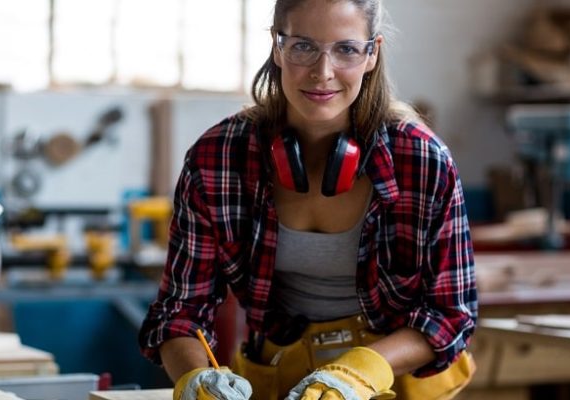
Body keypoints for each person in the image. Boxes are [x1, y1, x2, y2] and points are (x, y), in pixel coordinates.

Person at [139, 0, 477, 399]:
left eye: (346, 49)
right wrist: (194, 379)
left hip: (397, 381)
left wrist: (357, 373)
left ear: (372, 54)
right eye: (303, 46)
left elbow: (450, 315)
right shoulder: (218, 158)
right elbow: (180, 312)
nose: (323, 72)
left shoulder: (421, 161)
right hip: (277, 374)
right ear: (277, 47)